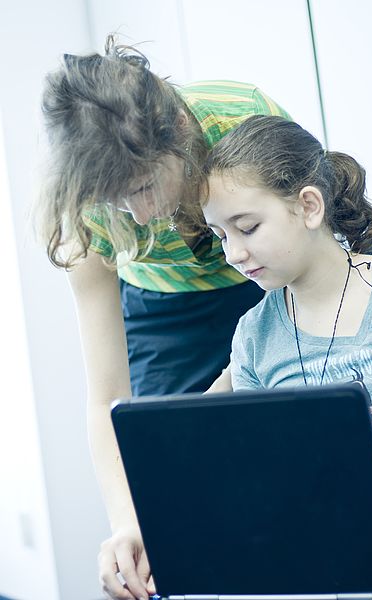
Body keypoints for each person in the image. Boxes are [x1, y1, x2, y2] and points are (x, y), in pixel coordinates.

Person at [35, 35, 291, 600]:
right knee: (171, 512)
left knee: (285, 471)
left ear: (177, 128)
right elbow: (107, 399)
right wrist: (128, 520)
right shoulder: (83, 211)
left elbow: (316, 239)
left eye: (145, 187)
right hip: (164, 315)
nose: (141, 214)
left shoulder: (239, 116)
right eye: (118, 202)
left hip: (269, 286)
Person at [202, 114, 372, 524]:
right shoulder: (254, 337)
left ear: (309, 206)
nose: (233, 254)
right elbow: (265, 472)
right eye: (222, 236)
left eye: (248, 228)